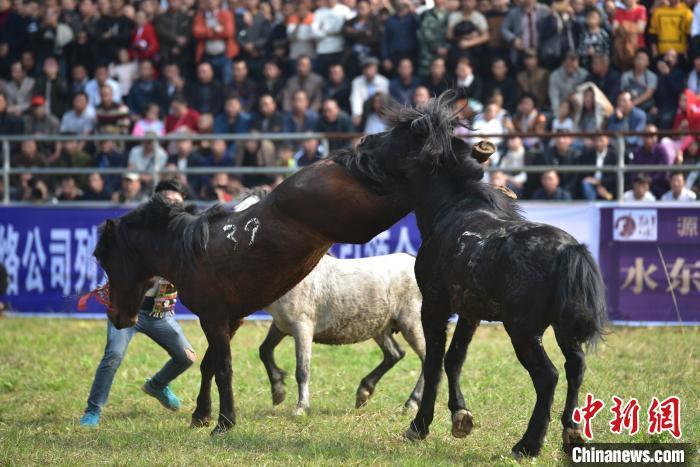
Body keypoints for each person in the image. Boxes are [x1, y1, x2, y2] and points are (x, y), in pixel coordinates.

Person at [80, 180, 196, 427]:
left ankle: (157, 385)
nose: (171, 207)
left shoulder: (183, 234)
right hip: (126, 309)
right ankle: (93, 410)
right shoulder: (132, 232)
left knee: (186, 357)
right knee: (112, 355)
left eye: (177, 203)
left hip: (159, 313)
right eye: (167, 201)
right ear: (154, 202)